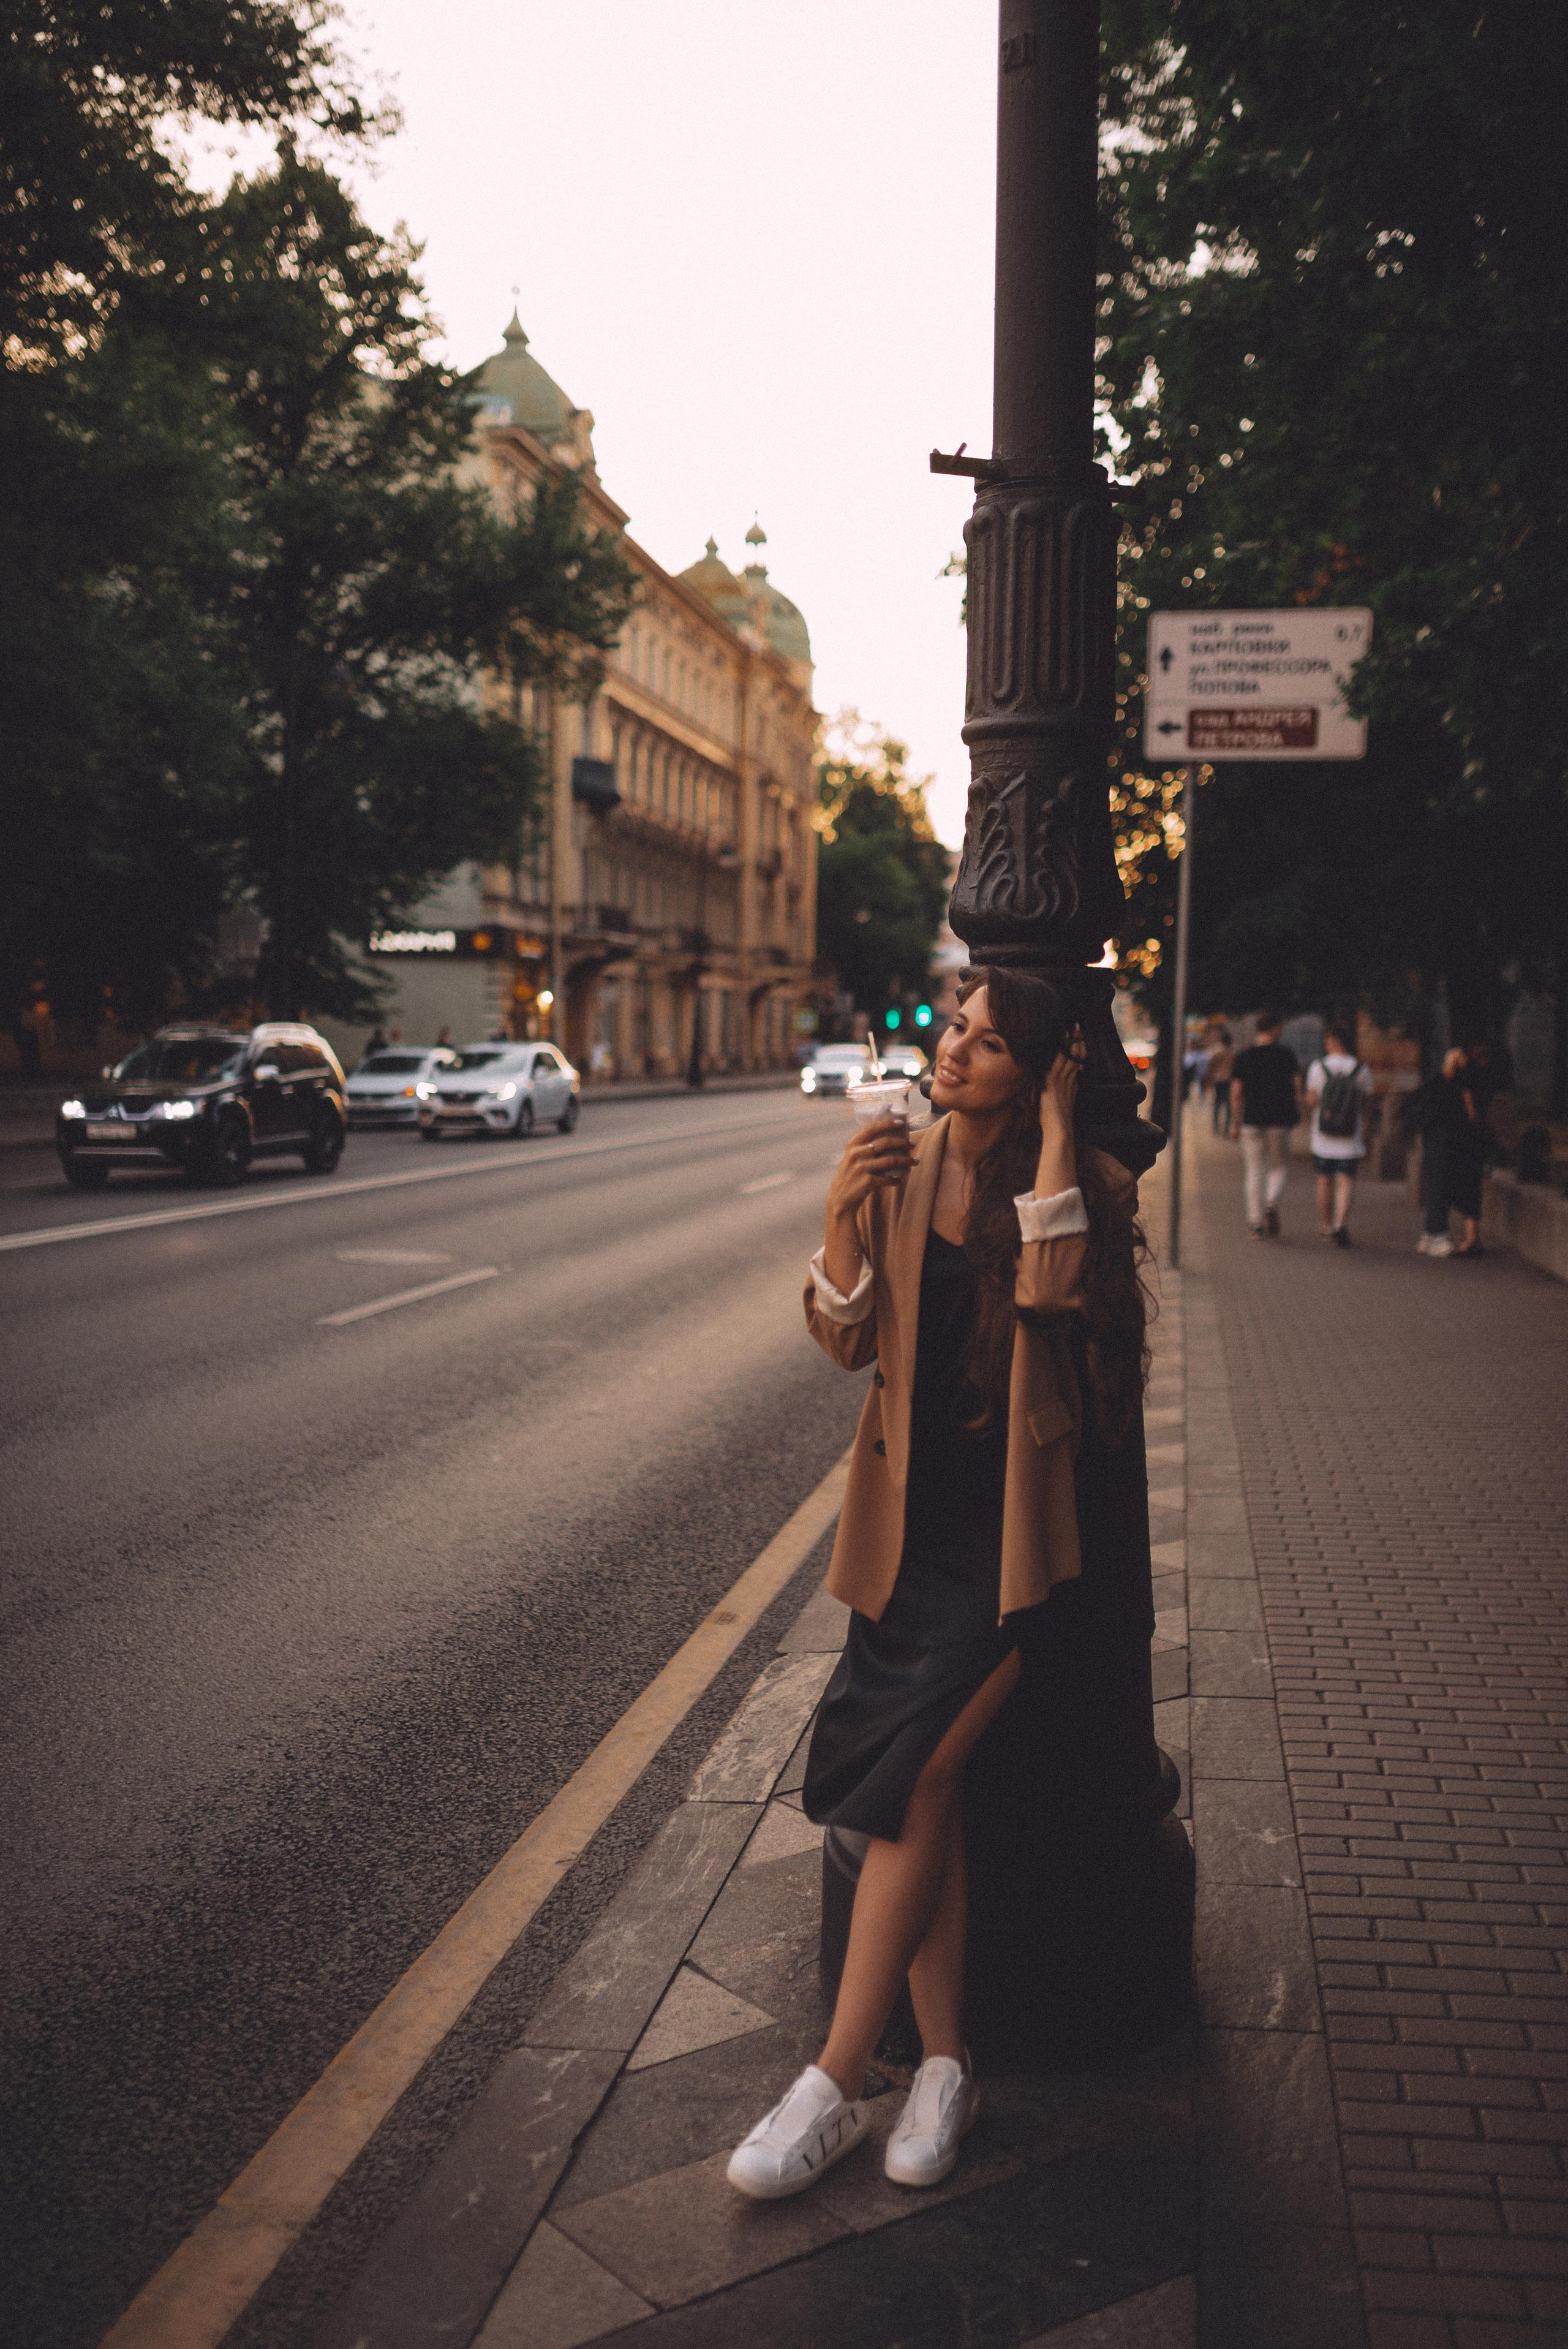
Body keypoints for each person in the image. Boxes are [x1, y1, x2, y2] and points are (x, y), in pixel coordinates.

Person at [727, 967, 1151, 2201]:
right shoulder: (897, 1166)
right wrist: (839, 1212)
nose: (954, 1050)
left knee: (908, 1784)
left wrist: (1059, 1129)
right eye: (953, 1027)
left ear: (1035, 1068)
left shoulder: (1085, 1183)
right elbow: (846, 1338)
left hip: (1009, 1544)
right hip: (906, 1536)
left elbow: (1052, 1294)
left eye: (988, 1041)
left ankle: (833, 2079)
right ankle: (946, 2067)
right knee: (928, 1793)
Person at [1227, 1010, 1302, 1236]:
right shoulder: (1286, 1054)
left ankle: (1256, 1223)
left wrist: (1234, 1122)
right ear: (1275, 1028)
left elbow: (1236, 1093)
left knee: (1253, 1170)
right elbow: (1297, 1086)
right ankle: (1271, 1202)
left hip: (1251, 1120)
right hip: (1279, 1120)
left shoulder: (1244, 1056)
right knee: (1278, 1167)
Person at [1304, 1023, 1375, 1247]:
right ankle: (1340, 1224)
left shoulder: (1318, 1067)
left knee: (1324, 1181)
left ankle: (1326, 1227)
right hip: (1350, 1136)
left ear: (1333, 1040)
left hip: (1323, 1136)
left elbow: (1311, 1100)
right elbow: (1367, 1102)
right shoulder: (1361, 1070)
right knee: (1345, 1181)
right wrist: (1366, 1126)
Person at [1418, 1045, 1483, 1258]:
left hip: (1432, 1139)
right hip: (1451, 1142)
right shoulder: (1461, 1084)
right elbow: (1471, 1114)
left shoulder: (1435, 1081)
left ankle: (1430, 1235)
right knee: (1442, 1188)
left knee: (1434, 1187)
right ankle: (1438, 1236)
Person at [1206, 1025, 1235, 1135]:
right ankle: (1226, 1128)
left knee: (1217, 1104)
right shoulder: (1232, 1053)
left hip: (1218, 1080)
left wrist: (1209, 1081)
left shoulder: (1217, 1052)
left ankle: (1216, 1127)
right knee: (1228, 1105)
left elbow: (1211, 1067)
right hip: (1229, 1080)